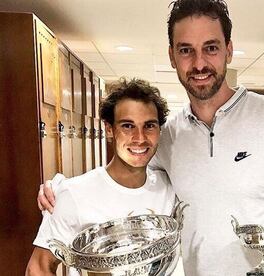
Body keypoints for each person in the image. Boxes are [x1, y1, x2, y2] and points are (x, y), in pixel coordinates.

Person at [38, 0, 264, 275]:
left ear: (229, 49)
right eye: (186, 50)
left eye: (210, 47)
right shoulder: (167, 135)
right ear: (172, 56)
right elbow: (126, 181)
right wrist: (63, 189)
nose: (199, 64)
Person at [26, 78, 176, 276]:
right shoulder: (73, 194)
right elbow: (38, 267)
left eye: (149, 125)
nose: (140, 138)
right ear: (109, 129)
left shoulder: (168, 187)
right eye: (128, 126)